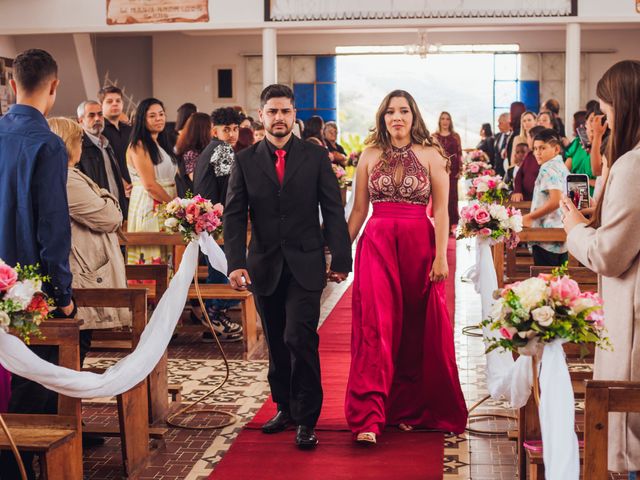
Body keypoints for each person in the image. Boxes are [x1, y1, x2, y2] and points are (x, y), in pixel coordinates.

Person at [224, 84, 352, 449]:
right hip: (264, 264)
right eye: (272, 112)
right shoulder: (246, 160)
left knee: (300, 337)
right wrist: (235, 262)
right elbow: (234, 215)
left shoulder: (314, 158)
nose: (279, 118)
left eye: (285, 111)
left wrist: (341, 259)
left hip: (306, 263)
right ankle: (285, 407)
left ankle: (307, 418)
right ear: (261, 116)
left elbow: (332, 209)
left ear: (294, 115)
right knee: (277, 342)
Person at [345, 90, 467, 444]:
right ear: (382, 118)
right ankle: (369, 415)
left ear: (414, 116)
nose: (396, 117)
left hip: (419, 246)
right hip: (377, 244)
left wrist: (442, 256)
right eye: (390, 112)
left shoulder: (433, 155)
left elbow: (442, 211)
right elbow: (357, 211)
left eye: (403, 111)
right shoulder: (368, 155)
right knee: (375, 326)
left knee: (415, 327)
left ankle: (409, 409)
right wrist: (337, 253)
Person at [561, 60, 640, 479]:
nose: (602, 121)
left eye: (606, 112)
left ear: (624, 106)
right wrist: (601, 213)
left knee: (628, 441)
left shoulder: (632, 166)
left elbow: (610, 255)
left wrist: (575, 229)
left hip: (632, 314)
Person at [0, 47, 76, 480]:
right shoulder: (48, 144)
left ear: (12, 84)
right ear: (54, 85)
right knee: (35, 382)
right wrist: (63, 296)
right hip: (29, 290)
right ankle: (21, 467)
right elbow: (52, 227)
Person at [49, 116, 131, 361]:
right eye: (80, 141)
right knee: (77, 345)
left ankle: (68, 398)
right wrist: (108, 197)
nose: (82, 146)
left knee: (79, 344)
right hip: (81, 267)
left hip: (81, 263)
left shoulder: (67, 173)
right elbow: (109, 217)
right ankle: (68, 400)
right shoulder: (66, 178)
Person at [126, 98, 177, 265]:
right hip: (150, 204)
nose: (159, 119)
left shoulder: (160, 143)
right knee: (151, 256)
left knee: (166, 256)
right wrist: (175, 206)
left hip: (165, 204)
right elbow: (149, 184)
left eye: (161, 114)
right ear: (142, 119)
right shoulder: (139, 145)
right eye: (152, 116)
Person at [522, 128, 569, 266]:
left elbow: (556, 200)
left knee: (545, 282)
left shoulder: (547, 168)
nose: (537, 152)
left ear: (556, 149)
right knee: (558, 281)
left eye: (542, 148)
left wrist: (530, 217)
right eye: (535, 148)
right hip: (561, 232)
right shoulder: (561, 166)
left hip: (545, 235)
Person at [77, 100, 129, 217]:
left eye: (100, 114)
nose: (97, 119)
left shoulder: (107, 144)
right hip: (97, 214)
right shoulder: (79, 148)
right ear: (80, 121)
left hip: (117, 210)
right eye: (91, 115)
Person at [99, 85, 133, 186]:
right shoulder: (99, 130)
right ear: (101, 105)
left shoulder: (130, 130)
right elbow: (102, 163)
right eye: (109, 101)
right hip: (111, 186)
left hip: (136, 185)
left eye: (118, 101)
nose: (115, 104)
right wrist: (121, 182)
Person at [434, 111, 462, 230]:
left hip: (453, 172)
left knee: (451, 199)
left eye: (447, 119)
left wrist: (460, 169)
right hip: (439, 172)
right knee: (440, 198)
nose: (445, 121)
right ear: (439, 121)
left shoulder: (455, 136)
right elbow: (432, 154)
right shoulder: (434, 136)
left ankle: (450, 225)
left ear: (450, 121)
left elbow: (459, 153)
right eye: (443, 118)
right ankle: (440, 224)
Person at [174, 112, 211, 197]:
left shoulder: (189, 150)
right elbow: (196, 180)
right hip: (196, 201)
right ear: (204, 130)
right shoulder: (191, 153)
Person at [511, 125, 544, 202]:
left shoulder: (544, 157)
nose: (527, 140)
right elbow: (519, 174)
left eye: (528, 137)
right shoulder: (529, 155)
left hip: (538, 201)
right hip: (524, 199)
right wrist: (517, 191)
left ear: (535, 138)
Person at [493, 112, 512, 176]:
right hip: (497, 173)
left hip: (507, 173)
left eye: (500, 123)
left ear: (508, 123)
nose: (498, 125)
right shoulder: (497, 136)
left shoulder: (513, 136)